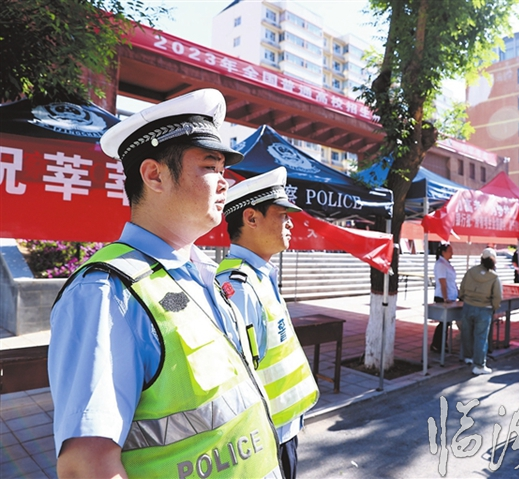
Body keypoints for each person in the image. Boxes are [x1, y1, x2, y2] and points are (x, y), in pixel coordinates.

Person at [48, 89, 282, 478]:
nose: (225, 183)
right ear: (154, 175)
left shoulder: (204, 273)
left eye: (224, 170)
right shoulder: (105, 292)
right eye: (211, 166)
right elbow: (86, 464)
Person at [216, 167, 319, 479]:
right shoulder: (238, 287)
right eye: (282, 215)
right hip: (264, 437)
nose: (290, 223)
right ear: (251, 218)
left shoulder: (258, 276)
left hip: (281, 429)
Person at [459, 248, 502, 376]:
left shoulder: (471, 271)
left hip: (468, 306)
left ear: (481, 259)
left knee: (466, 333)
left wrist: (464, 298)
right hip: (484, 309)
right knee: (481, 337)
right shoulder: (494, 277)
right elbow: (497, 296)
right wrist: (494, 307)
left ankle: (468, 357)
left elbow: (462, 288)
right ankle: (479, 365)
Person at [430, 243, 458, 353]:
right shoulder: (441, 264)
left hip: (451, 295)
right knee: (443, 322)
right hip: (443, 297)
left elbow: (452, 282)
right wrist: (446, 298)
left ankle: (442, 343)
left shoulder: (447, 264)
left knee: (447, 323)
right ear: (443, 252)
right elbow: (443, 282)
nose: (452, 253)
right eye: (450, 251)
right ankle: (437, 344)